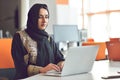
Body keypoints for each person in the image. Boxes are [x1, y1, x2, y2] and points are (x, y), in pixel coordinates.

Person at [11, 3, 65, 79]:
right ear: (33, 18)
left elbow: (59, 58)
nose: (44, 20)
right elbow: (20, 67)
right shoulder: (20, 37)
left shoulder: (48, 38)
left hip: (48, 77)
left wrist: (62, 63)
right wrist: (41, 70)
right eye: (40, 17)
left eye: (46, 17)